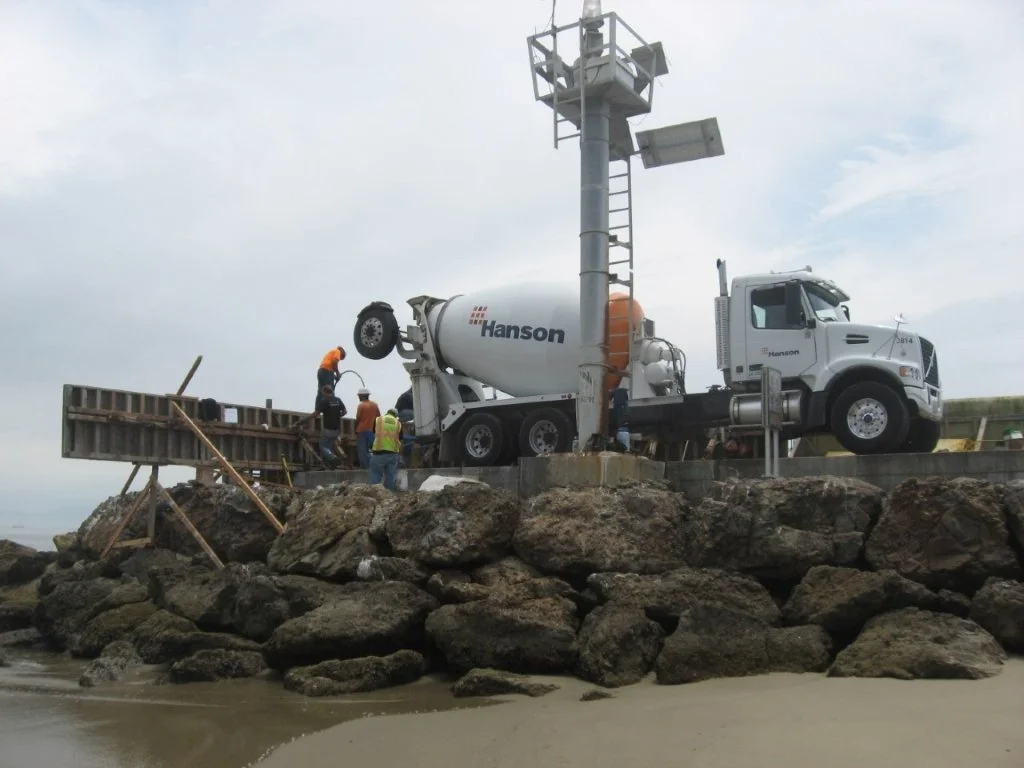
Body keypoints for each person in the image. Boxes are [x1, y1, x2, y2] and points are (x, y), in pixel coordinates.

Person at [369, 408, 402, 491]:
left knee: (376, 474)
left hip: (378, 452)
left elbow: (374, 431)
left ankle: (375, 494)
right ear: (395, 416)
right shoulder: (398, 423)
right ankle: (389, 495)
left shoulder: (378, 420)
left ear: (387, 413)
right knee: (390, 476)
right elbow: (400, 438)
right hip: (392, 453)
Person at [317, 385, 347, 466]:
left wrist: (304, 421)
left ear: (324, 392)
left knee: (322, 445)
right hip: (337, 429)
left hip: (328, 429)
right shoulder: (338, 400)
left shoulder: (325, 401)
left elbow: (316, 413)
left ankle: (333, 457)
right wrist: (337, 415)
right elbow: (344, 412)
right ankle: (330, 465)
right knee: (329, 446)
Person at [354, 388, 380, 469]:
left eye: (359, 396)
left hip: (362, 431)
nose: (358, 397)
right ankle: (375, 467)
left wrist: (355, 429)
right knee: (374, 450)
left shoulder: (361, 405)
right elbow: (379, 417)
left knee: (363, 451)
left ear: (362, 396)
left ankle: (365, 468)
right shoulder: (375, 405)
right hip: (372, 431)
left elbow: (358, 419)